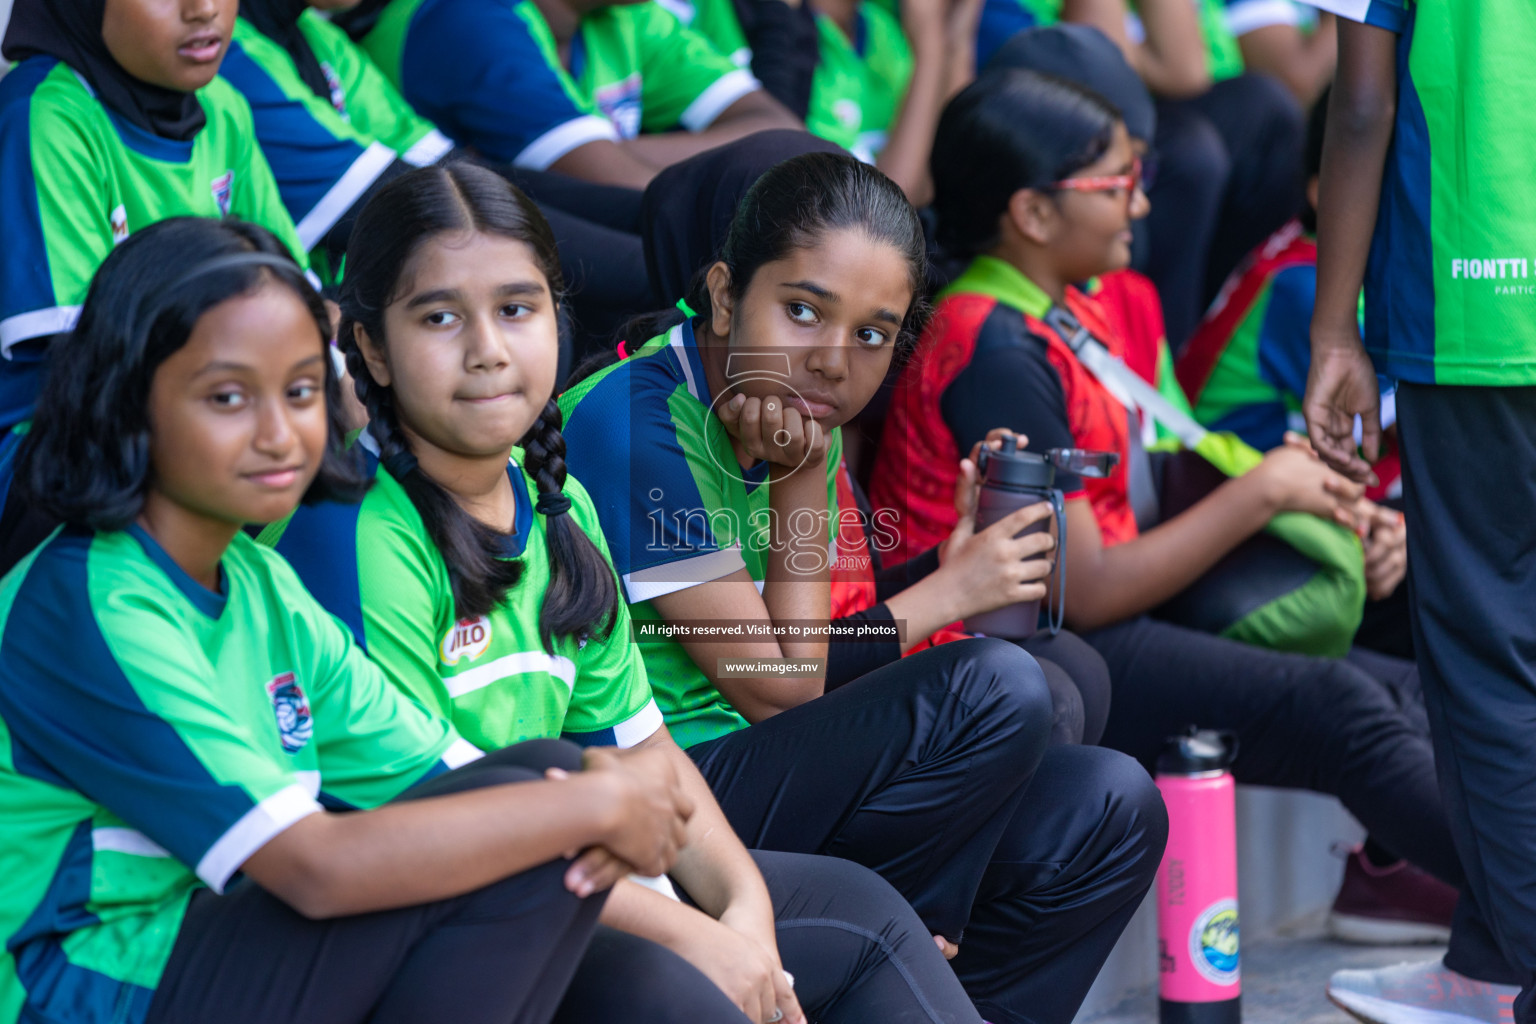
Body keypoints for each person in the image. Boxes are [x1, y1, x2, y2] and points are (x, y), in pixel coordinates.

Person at [265, 161, 985, 1024]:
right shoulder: (368, 530)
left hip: (598, 841)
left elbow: (654, 747)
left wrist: (744, 908)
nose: (488, 347)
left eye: (517, 310)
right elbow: (779, 688)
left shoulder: (557, 507)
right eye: (440, 317)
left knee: (890, 899)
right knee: (986, 689)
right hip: (444, 913)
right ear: (372, 345)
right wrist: (949, 592)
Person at [0, 215, 696, 1024]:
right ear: (129, 403)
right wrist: (591, 807)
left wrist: (590, 797)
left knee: (534, 784)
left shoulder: (257, 579)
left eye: (299, 391)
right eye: (227, 396)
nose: (276, 432)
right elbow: (313, 868)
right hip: (78, 984)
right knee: (547, 816)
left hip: (200, 942)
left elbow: (442, 781)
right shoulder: (92, 598)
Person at [563, 150, 1168, 1024]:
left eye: (872, 335)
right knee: (996, 686)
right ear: (727, 295)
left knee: (1111, 807)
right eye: (803, 311)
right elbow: (784, 688)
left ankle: (932, 996)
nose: (832, 362)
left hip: (769, 774)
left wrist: (928, 564)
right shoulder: (638, 422)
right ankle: (905, 940)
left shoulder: (788, 411)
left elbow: (820, 648)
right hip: (678, 802)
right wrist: (810, 473)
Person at [872, 68, 1471, 951]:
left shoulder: (1058, 309)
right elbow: (1090, 589)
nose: (1142, 207)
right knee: (1344, 707)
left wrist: (1324, 505)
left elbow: (1151, 486)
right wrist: (1265, 489)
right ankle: (1518, 899)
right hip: (1015, 658)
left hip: (1087, 627)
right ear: (1032, 214)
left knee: (1417, 693)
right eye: (1118, 186)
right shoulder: (993, 342)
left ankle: (1475, 899)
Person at [1303, 2, 1536, 1020]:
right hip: (1478, 304)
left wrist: (1332, 327)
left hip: (1478, 294)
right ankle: (1490, 955)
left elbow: (1362, 103)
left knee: (1488, 663)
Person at [0, 0, 306, 564]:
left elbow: (297, 299)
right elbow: (84, 369)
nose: (204, 9)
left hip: (206, 408)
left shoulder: (223, 106)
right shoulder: (45, 114)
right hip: (58, 444)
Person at [222, 0, 658, 362]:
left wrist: (672, 225)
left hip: (336, 305)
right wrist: (667, 265)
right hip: (295, 332)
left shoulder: (320, 40)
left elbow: (457, 176)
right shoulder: (229, 55)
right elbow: (425, 208)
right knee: (530, 309)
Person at [337, 0, 800, 190]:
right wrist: (597, 161)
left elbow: (784, 135)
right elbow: (626, 195)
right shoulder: (463, 17)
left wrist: (603, 152)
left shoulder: (630, 17)